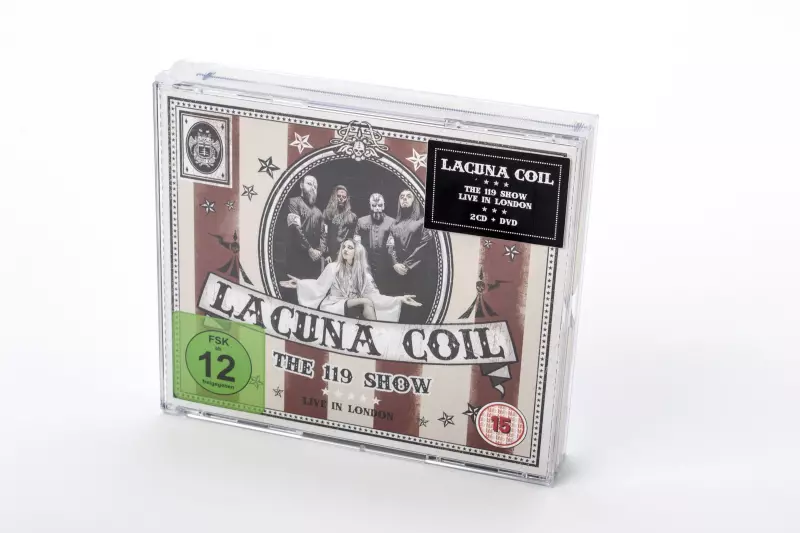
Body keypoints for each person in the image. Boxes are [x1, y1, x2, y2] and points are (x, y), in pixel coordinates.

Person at [280, 239, 421, 322]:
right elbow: (318, 286)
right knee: (365, 302)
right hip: (334, 305)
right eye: (344, 247)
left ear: (357, 252)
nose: (345, 250)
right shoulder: (333, 267)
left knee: (368, 302)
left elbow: (374, 297)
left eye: (350, 247)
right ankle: (376, 333)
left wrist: (399, 299)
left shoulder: (364, 275)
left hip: (351, 305)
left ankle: (374, 332)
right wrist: (299, 284)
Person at [286, 175, 325, 280]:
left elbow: (324, 234)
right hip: (297, 258)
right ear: (301, 185)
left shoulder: (319, 212)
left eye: (315, 186)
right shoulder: (293, 202)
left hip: (314, 261)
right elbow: (295, 228)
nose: (313, 188)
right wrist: (309, 249)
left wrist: (320, 251)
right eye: (309, 184)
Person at [354, 193, 395, 292]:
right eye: (374, 205)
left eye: (380, 205)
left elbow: (393, 246)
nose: (377, 208)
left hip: (385, 265)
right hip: (366, 263)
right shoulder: (361, 221)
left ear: (384, 205)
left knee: (385, 291)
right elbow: (356, 243)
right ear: (370, 206)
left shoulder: (392, 222)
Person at [322, 185, 358, 264]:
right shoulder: (327, 213)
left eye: (344, 197)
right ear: (334, 197)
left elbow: (353, 238)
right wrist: (326, 254)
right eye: (339, 196)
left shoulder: (352, 217)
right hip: (330, 255)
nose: (341, 199)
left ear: (347, 199)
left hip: (345, 255)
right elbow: (324, 235)